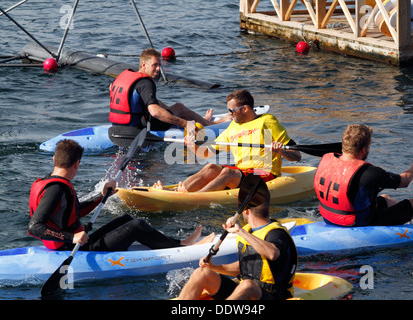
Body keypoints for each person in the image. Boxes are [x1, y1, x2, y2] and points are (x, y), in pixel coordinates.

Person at [28, 139, 214, 251]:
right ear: (77, 164)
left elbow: (72, 211)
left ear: (54, 160)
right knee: (137, 226)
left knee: (126, 219)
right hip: (74, 247)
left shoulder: (51, 182)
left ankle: (177, 242)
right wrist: (72, 238)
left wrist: (102, 196)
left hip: (75, 241)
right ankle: (182, 247)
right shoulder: (56, 189)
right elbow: (35, 227)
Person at [154, 89, 301, 192]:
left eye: (232, 110)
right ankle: (174, 190)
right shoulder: (233, 127)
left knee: (228, 172)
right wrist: (192, 145)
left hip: (263, 172)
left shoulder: (268, 122)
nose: (229, 114)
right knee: (211, 167)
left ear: (245, 109)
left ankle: (195, 197)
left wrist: (280, 150)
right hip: (242, 172)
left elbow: (297, 156)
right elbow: (205, 154)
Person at [178, 179, 298, 300]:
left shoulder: (276, 233)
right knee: (201, 273)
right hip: (246, 292)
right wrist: (214, 267)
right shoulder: (249, 231)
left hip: (273, 296)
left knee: (248, 285)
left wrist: (241, 231)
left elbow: (272, 253)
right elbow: (243, 267)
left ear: (245, 211)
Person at [314, 124, 413, 227]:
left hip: (329, 217)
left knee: (386, 199)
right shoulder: (370, 173)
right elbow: (406, 180)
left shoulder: (327, 159)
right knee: (412, 204)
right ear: (364, 149)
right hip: (357, 222)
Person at [108, 48, 230, 139]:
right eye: (155, 65)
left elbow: (113, 90)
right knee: (179, 107)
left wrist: (166, 110)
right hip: (139, 130)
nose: (158, 69)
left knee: (163, 105)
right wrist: (184, 123)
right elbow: (155, 112)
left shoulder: (124, 77)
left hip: (117, 127)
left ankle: (200, 119)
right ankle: (211, 123)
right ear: (144, 65)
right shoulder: (146, 83)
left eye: (159, 65)